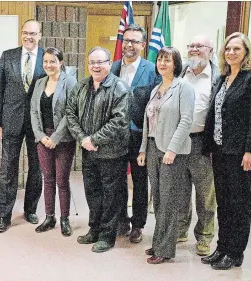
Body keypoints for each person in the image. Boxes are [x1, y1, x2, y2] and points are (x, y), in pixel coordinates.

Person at [66, 47, 130, 253]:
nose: (95, 66)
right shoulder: (81, 86)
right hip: (88, 151)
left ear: (109, 64)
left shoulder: (119, 87)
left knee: (111, 195)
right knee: (92, 191)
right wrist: (83, 139)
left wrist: (94, 139)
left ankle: (107, 235)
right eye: (92, 62)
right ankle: (94, 229)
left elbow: (119, 121)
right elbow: (70, 113)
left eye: (100, 62)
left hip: (112, 152)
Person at [201, 32, 251, 270]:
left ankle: (235, 252)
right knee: (223, 202)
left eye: (237, 49)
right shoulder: (223, 78)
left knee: (239, 202)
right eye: (228, 49)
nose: (231, 52)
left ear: (246, 52)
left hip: (240, 153)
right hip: (220, 151)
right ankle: (222, 247)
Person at [137, 47, 195, 264]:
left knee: (169, 200)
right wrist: (143, 148)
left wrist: (172, 149)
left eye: (167, 60)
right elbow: (147, 122)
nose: (162, 63)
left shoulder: (183, 88)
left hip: (172, 151)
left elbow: (186, 120)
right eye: (160, 59)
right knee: (159, 199)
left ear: (176, 63)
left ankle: (165, 248)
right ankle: (159, 241)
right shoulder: (156, 89)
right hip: (153, 147)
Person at [0, 19, 46, 233]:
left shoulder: (47, 57)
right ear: (21, 34)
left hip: (38, 123)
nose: (29, 37)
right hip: (11, 121)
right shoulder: (8, 56)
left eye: (33, 33)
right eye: (25, 32)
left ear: (40, 35)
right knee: (8, 169)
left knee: (36, 168)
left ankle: (30, 209)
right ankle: (4, 216)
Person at [110, 23, 159, 242]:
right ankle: (122, 219)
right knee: (118, 178)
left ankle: (138, 224)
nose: (129, 44)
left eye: (134, 41)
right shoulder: (113, 67)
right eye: (126, 40)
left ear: (142, 44)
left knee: (140, 181)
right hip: (116, 135)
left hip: (140, 135)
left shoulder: (152, 69)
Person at [177, 35, 219, 256]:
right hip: (178, 141)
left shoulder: (218, 77)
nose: (193, 49)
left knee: (205, 194)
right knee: (181, 190)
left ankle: (204, 236)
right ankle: (181, 230)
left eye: (199, 46)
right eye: (190, 46)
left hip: (203, 142)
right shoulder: (181, 72)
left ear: (210, 51)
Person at [30, 47, 77, 236]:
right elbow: (33, 110)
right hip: (43, 138)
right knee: (47, 179)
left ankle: (65, 219)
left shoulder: (70, 82)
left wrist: (56, 137)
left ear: (61, 62)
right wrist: (40, 136)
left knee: (62, 180)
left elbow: (71, 112)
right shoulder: (40, 82)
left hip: (63, 139)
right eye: (46, 61)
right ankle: (50, 217)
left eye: (53, 61)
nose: (49, 65)